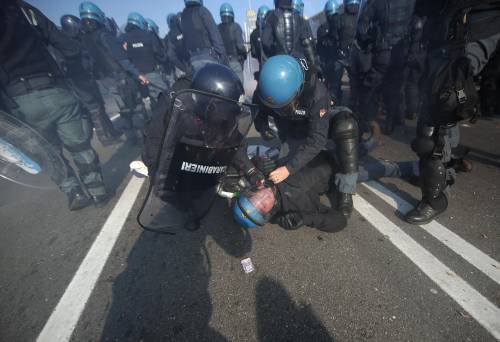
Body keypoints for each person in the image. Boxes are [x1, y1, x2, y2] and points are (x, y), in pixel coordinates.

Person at [0, 0, 109, 210]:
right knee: (79, 145)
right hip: (54, 89)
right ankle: (97, 192)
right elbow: (68, 47)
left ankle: (73, 192)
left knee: (48, 151)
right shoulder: (22, 9)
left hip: (18, 103)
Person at [405, 0, 500, 224]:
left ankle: (437, 197)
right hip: (445, 26)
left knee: (442, 108)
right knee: (436, 109)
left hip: (474, 23)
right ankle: (438, 176)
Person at [254, 55, 359, 217]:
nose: (279, 110)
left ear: (298, 90)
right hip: (294, 132)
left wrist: (289, 169)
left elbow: (317, 139)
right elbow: (258, 105)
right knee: (288, 179)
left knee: (346, 125)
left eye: (284, 106)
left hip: (320, 126)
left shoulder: (317, 94)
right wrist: (261, 125)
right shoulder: (267, 87)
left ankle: (346, 189)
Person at [78, 1, 149, 144]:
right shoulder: (105, 35)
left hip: (107, 81)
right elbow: (122, 60)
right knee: (136, 108)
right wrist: (138, 74)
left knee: (124, 110)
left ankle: (131, 139)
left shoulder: (85, 39)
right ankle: (144, 138)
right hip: (121, 77)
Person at [60, 14, 122, 146]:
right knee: (94, 111)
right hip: (79, 82)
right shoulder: (66, 43)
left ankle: (111, 131)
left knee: (100, 107)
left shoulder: (77, 40)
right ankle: (104, 138)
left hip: (87, 79)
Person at [356, 0, 416, 135]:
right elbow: (417, 24)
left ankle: (370, 122)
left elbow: (361, 28)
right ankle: (390, 123)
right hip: (401, 52)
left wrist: (368, 43)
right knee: (394, 89)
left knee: (372, 89)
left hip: (382, 51)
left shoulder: (377, 2)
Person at [120, 12, 168, 109]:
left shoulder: (121, 38)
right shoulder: (148, 35)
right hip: (151, 73)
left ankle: (148, 120)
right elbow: (160, 53)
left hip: (133, 76)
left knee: (139, 104)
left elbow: (120, 59)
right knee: (164, 97)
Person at [261, 0, 317, 69]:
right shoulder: (300, 18)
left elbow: (265, 42)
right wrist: (313, 65)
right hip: (298, 63)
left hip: (278, 64)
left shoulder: (271, 16)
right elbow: (307, 44)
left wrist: (274, 51)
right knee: (305, 76)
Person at [180, 0, 227, 71]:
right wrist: (223, 57)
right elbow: (215, 35)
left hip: (193, 60)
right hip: (208, 57)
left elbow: (184, 40)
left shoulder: (183, 15)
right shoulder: (202, 11)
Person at [217, 3, 247, 83]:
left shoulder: (217, 28)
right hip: (234, 62)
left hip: (222, 63)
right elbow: (240, 46)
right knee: (239, 87)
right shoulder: (236, 27)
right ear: (232, 15)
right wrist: (245, 54)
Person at [164, 13, 190, 84]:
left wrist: (183, 68)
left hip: (180, 66)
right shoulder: (185, 28)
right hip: (193, 60)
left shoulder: (169, 36)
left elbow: (170, 56)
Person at [250, 5, 270, 72]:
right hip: (274, 64)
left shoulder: (253, 34)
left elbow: (253, 53)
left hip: (262, 65)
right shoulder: (273, 31)